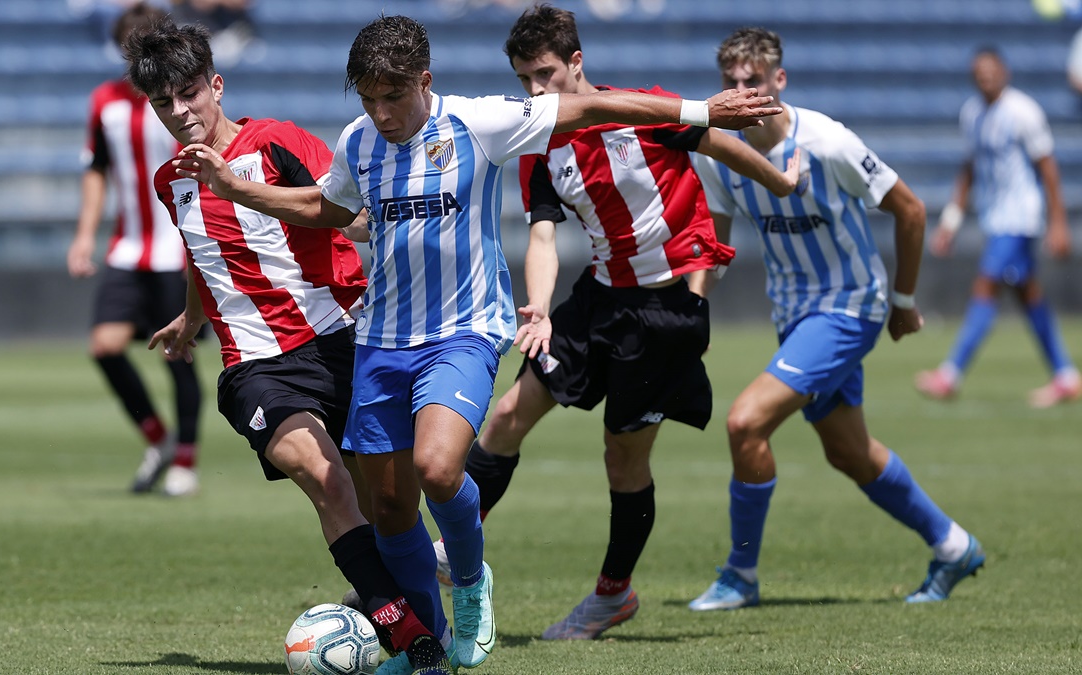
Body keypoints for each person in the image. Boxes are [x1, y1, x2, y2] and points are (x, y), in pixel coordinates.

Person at [170, 14, 781, 672]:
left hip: (463, 331)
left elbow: (594, 103)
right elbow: (329, 209)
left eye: (392, 97)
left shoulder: (478, 122)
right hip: (380, 338)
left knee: (438, 468)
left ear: (423, 81)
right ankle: (425, 647)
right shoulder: (358, 141)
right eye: (368, 99)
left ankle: (469, 583)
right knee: (390, 504)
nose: (381, 113)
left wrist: (699, 108)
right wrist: (237, 189)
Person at [443, 3, 800, 641]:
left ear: (576, 62)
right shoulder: (540, 143)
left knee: (622, 460)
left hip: (662, 315)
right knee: (503, 420)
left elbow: (720, 142)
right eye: (524, 79)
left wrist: (782, 184)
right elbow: (545, 238)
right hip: (597, 299)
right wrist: (540, 308)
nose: (535, 92)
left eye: (545, 75)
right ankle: (450, 551)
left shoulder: (645, 111)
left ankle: (613, 594)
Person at [123, 18, 454, 675]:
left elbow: (355, 212)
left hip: (342, 342)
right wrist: (192, 320)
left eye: (190, 93)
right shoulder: (171, 181)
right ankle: (409, 638)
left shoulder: (276, 143)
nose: (180, 111)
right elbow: (204, 251)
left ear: (215, 85)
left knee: (388, 502)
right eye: (164, 102)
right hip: (255, 368)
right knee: (327, 480)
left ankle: (419, 579)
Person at [688, 27, 986, 610]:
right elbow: (713, 249)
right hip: (794, 313)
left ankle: (740, 574)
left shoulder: (825, 142)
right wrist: (689, 305)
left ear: (779, 81)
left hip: (850, 305)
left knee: (746, 423)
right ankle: (954, 547)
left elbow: (911, 210)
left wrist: (902, 303)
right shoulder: (721, 154)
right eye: (731, 82)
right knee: (848, 451)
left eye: (754, 81)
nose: (742, 92)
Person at [66, 1, 202, 497]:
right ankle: (158, 439)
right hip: (128, 247)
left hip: (174, 248)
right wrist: (85, 235)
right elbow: (96, 170)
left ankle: (186, 459)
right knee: (104, 346)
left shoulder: (176, 102)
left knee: (177, 353)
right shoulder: (104, 102)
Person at [914, 47, 1079, 407]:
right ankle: (1066, 376)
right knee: (1027, 294)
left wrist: (1059, 223)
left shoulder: (1023, 111)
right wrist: (951, 222)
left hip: (1021, 217)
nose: (985, 76)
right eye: (979, 71)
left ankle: (950, 374)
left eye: (991, 70)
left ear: (1004, 72)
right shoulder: (972, 114)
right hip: (996, 214)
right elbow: (969, 169)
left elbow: (1048, 169)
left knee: (986, 284)